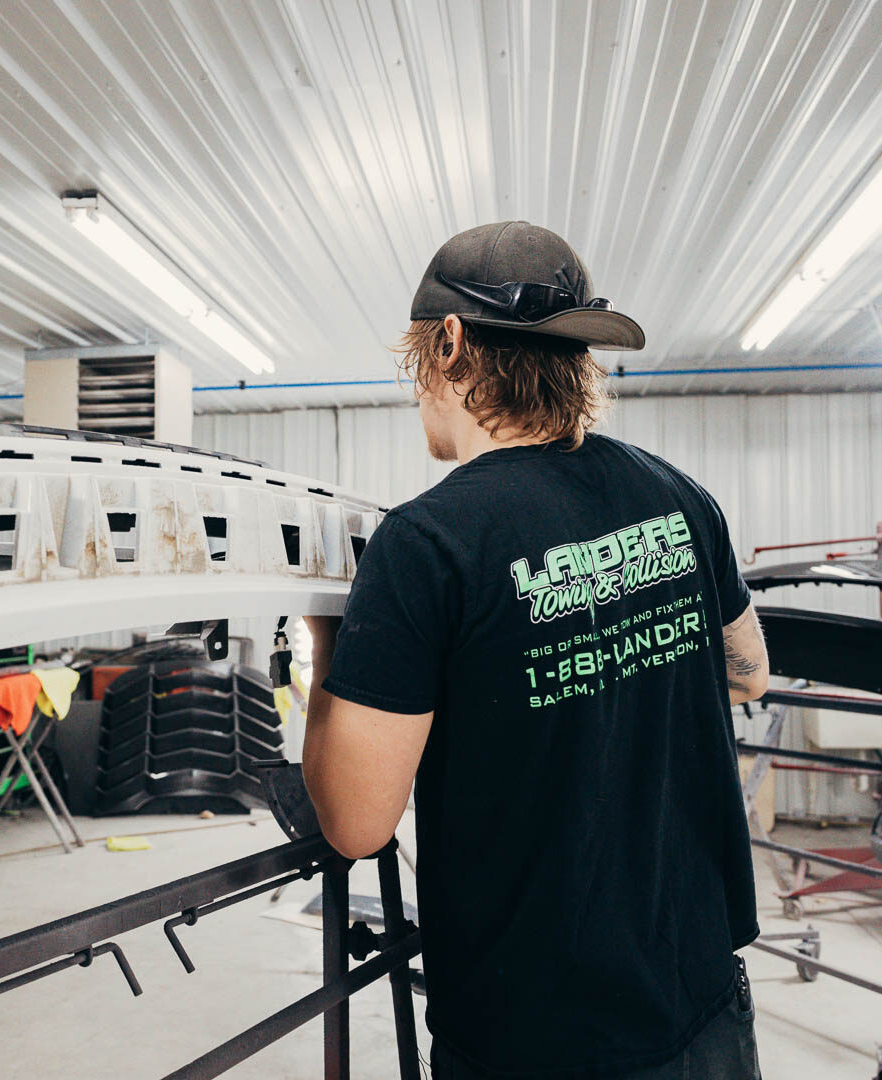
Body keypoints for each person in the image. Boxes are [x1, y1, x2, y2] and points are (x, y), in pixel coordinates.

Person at [301, 222, 769, 1079]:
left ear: (446, 344)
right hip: (704, 999)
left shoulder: (427, 541)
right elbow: (748, 675)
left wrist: (325, 640)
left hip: (537, 1030)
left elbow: (358, 825)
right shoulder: (679, 496)